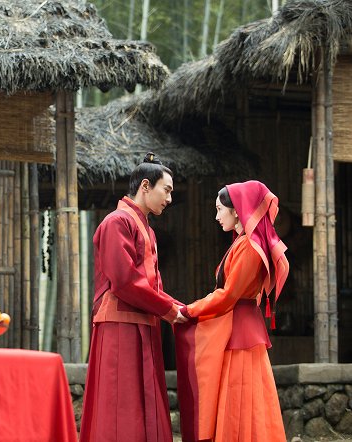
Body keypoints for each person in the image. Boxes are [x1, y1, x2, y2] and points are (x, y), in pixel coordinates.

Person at [80, 152, 186, 442]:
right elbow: (125, 280)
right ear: (145, 186)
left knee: (141, 401)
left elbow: (153, 287)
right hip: (120, 324)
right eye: (167, 190)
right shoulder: (117, 222)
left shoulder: (147, 230)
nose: (169, 198)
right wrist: (167, 309)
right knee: (121, 402)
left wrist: (179, 308)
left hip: (141, 320)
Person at [174, 180, 289, 442]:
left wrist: (188, 310)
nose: (216, 217)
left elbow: (228, 296)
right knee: (242, 399)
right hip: (239, 328)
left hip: (240, 333)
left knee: (239, 399)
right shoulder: (244, 242)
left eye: (219, 210)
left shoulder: (249, 245)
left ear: (236, 210)